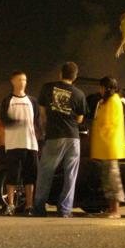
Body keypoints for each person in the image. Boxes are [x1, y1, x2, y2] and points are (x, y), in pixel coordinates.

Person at [32, 61, 87, 217]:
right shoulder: (79, 94)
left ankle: (39, 207)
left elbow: (42, 114)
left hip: (54, 135)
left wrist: (44, 129)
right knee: (70, 175)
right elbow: (80, 118)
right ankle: (65, 209)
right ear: (75, 77)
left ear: (60, 73)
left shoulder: (47, 88)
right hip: (73, 138)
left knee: (45, 173)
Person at [0, 71, 40, 215]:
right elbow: (4, 120)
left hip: (30, 144)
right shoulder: (7, 100)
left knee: (30, 177)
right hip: (14, 144)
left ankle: (29, 206)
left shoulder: (32, 101)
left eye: (25, 80)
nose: (23, 82)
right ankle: (10, 205)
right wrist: (15, 123)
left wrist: (39, 138)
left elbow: (37, 122)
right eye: (20, 80)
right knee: (12, 176)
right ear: (13, 81)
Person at [91, 75, 125, 218]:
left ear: (106, 88)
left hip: (110, 146)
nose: (99, 90)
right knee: (108, 178)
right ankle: (111, 208)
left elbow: (108, 124)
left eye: (101, 87)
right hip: (106, 146)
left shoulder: (113, 101)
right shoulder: (107, 101)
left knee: (113, 179)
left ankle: (115, 210)